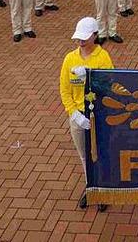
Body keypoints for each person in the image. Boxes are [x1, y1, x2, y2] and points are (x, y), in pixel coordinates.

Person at [59, 16, 114, 210]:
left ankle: (104, 189)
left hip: (98, 113)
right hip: (78, 116)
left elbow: (108, 85)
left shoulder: (103, 57)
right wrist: (74, 114)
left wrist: (90, 75)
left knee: (101, 152)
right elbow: (64, 90)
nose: (81, 41)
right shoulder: (70, 59)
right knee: (85, 156)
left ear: (95, 35)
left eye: (85, 37)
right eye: (79, 38)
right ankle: (90, 186)